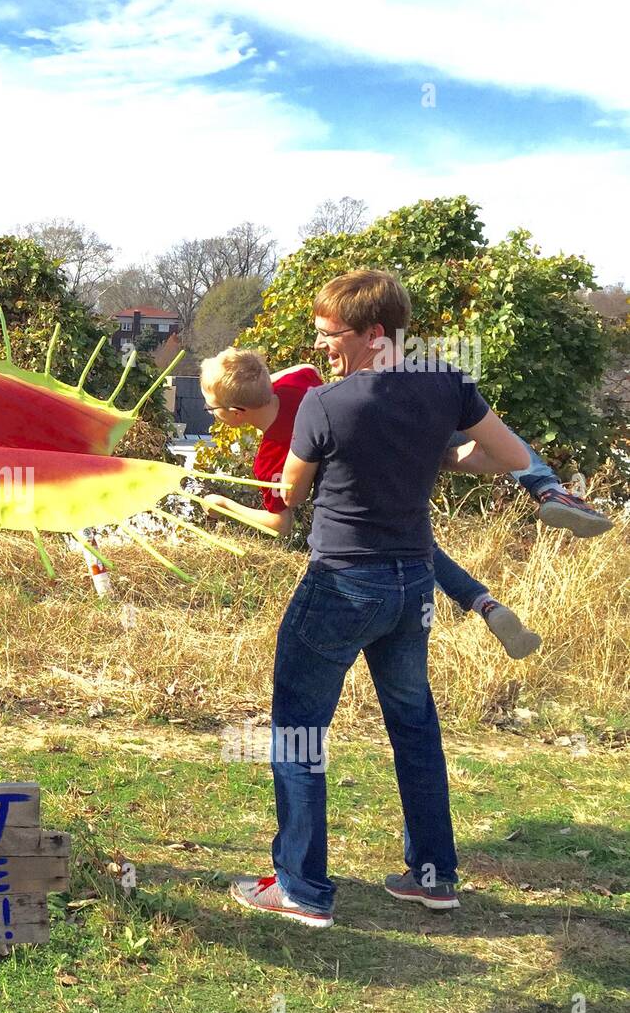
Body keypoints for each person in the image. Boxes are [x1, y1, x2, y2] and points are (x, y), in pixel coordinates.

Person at [222, 269, 536, 928]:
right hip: (412, 581)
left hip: (341, 581)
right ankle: (432, 876)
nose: (322, 348)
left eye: (330, 336)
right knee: (415, 726)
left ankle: (301, 887)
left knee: (299, 728)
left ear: (371, 334)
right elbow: (506, 457)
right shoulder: (445, 383)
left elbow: (292, 496)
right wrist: (439, 455)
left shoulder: (325, 406)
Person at [199, 346, 609, 657]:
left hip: (365, 489)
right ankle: (546, 488)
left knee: (416, 547)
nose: (210, 411)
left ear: (234, 413)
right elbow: (291, 374)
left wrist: (223, 504)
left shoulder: (269, 457)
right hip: (401, 434)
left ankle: (481, 602)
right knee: (486, 433)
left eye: (211, 407)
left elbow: (280, 523)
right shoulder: (300, 380)